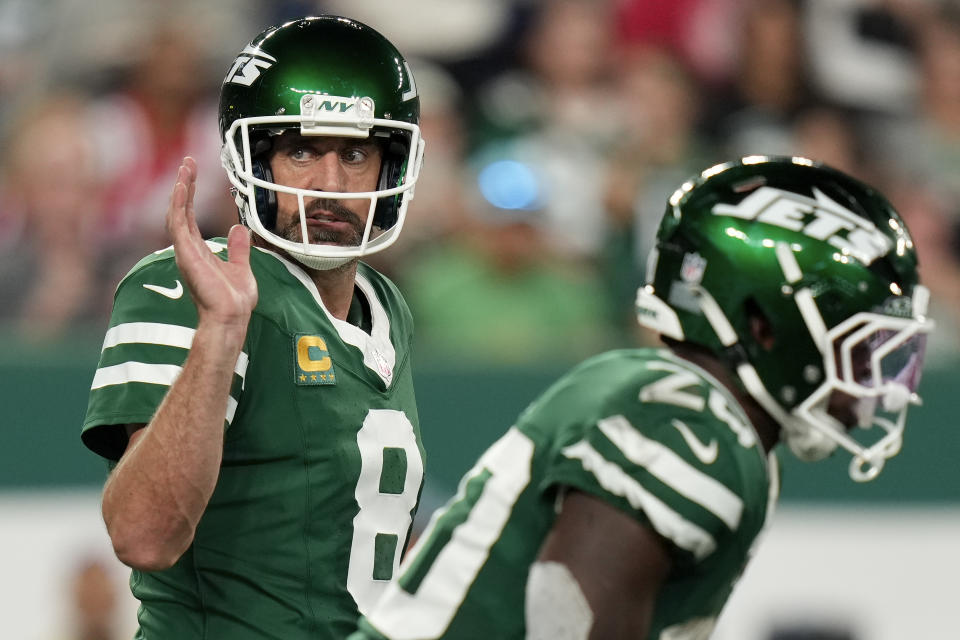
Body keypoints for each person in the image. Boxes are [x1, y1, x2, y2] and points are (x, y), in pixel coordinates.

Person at [350, 156, 934, 640]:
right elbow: (566, 615)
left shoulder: (678, 404)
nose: (876, 379)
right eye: (862, 345)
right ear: (764, 325)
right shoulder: (687, 422)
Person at [80, 16, 426, 639]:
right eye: (300, 151)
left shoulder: (386, 305)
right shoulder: (189, 284)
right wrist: (220, 329)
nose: (330, 185)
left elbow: (351, 538)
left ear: (391, 165)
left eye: (355, 153)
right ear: (250, 157)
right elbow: (143, 535)